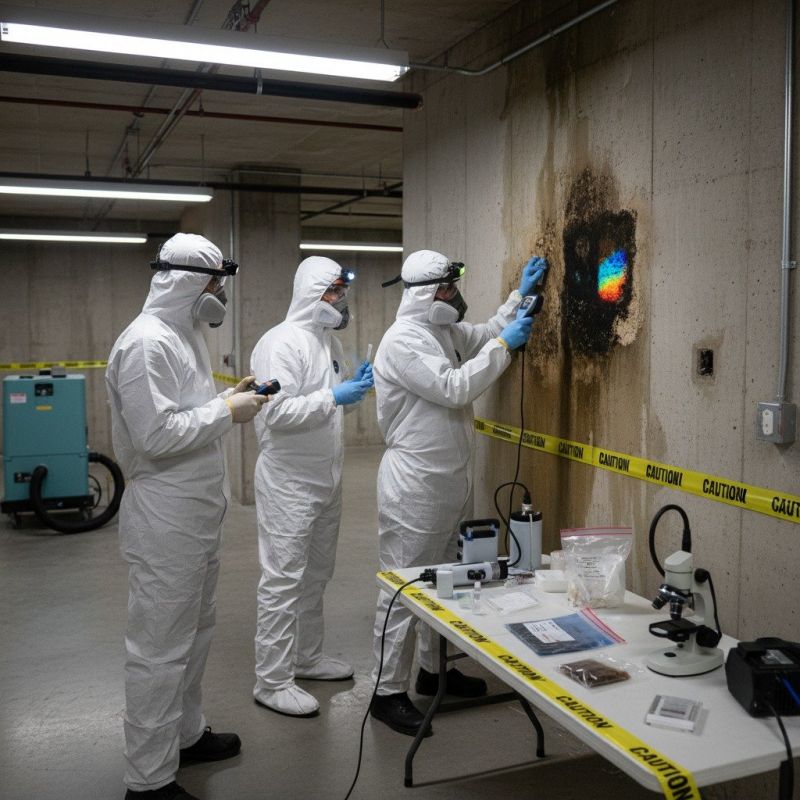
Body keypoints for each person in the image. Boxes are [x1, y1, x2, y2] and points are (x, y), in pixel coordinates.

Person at [106, 233, 268, 800]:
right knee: (157, 648)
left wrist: (232, 397)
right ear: (185, 282)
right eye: (214, 282)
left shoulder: (183, 335)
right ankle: (147, 781)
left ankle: (186, 733)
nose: (218, 293)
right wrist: (227, 411)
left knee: (195, 633)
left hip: (197, 514)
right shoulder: (147, 342)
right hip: (166, 518)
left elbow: (185, 413)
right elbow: (154, 436)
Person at [369, 249, 546, 736]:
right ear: (426, 293)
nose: (455, 296)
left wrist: (520, 296)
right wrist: (505, 349)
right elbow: (452, 387)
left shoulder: (440, 329)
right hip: (415, 486)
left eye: (454, 285)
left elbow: (486, 333)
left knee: (445, 579)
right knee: (404, 587)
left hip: (447, 480)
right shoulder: (404, 340)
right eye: (447, 288)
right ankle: (386, 692)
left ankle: (434, 669)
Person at [250, 255, 374, 717]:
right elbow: (276, 413)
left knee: (316, 575)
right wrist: (333, 396)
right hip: (289, 481)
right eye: (335, 291)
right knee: (283, 579)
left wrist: (353, 391)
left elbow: (326, 408)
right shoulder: (280, 343)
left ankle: (306, 657)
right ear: (311, 293)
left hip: (326, 477)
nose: (342, 300)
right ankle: (272, 679)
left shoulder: (328, 342)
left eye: (343, 292)